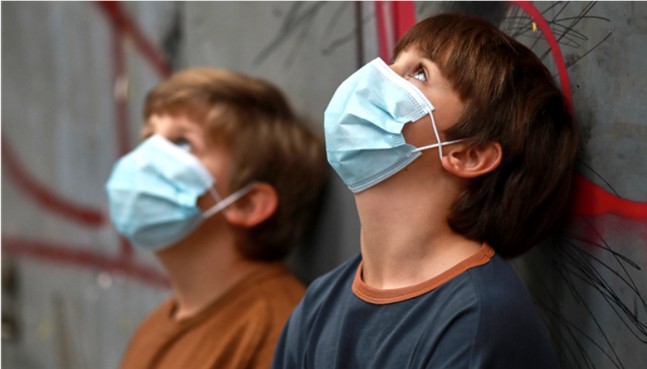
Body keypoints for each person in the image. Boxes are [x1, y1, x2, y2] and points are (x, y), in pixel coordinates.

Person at [272, 13, 578, 368]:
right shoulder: (320, 302)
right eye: (392, 63)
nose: (379, 77)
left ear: (469, 154)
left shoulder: (478, 321)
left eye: (419, 73)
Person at [105, 67, 327, 369]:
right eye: (149, 137)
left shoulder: (276, 333)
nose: (146, 158)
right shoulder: (157, 325)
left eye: (182, 143)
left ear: (247, 204)